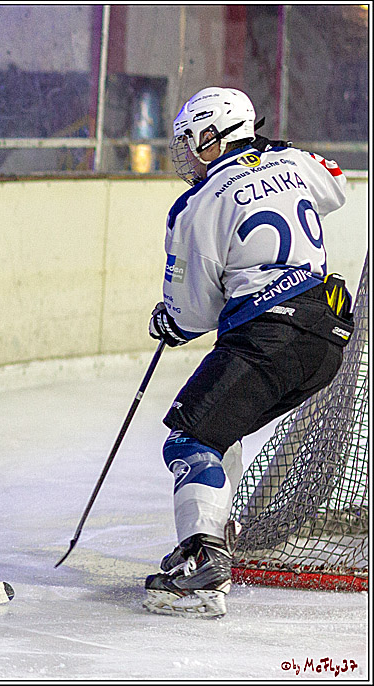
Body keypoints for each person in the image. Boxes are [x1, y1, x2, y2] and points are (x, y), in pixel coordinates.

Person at [143, 87, 354, 618]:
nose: (187, 155)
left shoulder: (199, 203)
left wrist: (168, 322)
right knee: (221, 428)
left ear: (212, 137)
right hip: (326, 337)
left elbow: (191, 314)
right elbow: (336, 185)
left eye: (190, 142)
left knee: (191, 439)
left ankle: (202, 561)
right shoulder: (292, 159)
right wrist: (273, 160)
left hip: (270, 337)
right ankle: (218, 534)